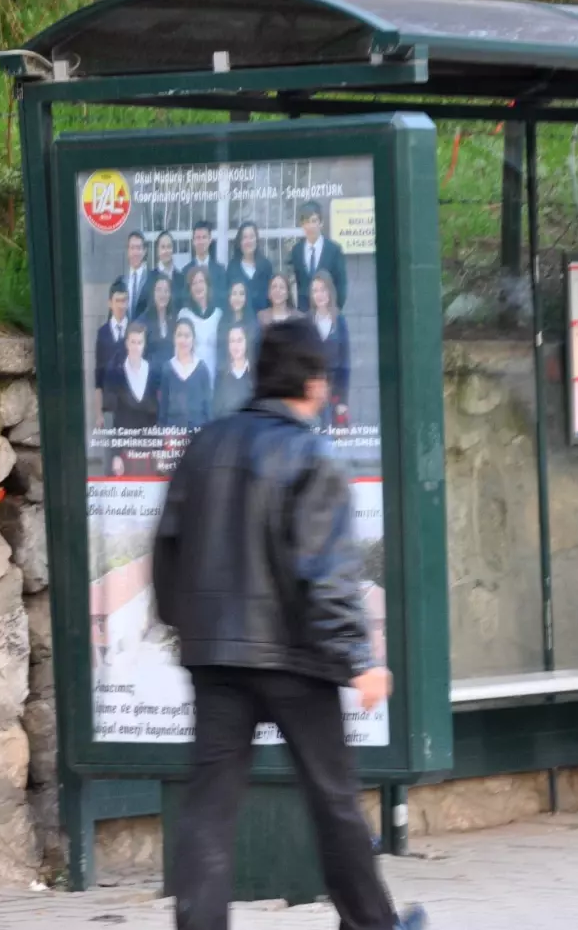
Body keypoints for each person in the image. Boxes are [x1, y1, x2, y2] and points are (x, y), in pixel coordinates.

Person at [152, 318, 426, 930]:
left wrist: (188, 627)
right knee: (332, 802)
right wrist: (360, 659)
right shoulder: (311, 455)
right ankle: (372, 925)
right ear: (312, 380)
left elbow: (167, 550)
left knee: (210, 808)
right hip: (295, 659)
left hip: (217, 657)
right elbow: (325, 575)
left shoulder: (206, 444)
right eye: (324, 375)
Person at [309, 269, 350, 426]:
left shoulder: (340, 321)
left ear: (330, 292)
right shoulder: (307, 321)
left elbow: (345, 364)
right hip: (312, 392)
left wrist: (343, 401)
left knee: (333, 443)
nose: (319, 295)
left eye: (323, 289)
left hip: (334, 393)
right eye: (315, 291)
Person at [289, 200, 346, 312]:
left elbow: (341, 285)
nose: (310, 226)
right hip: (304, 315)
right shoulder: (296, 251)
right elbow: (296, 283)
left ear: (321, 223)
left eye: (314, 221)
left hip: (328, 314)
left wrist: (334, 311)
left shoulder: (334, 250)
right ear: (302, 225)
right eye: (306, 222)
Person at [104, 321, 159, 430]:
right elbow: (110, 406)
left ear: (144, 345)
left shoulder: (153, 371)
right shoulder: (117, 372)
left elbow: (156, 408)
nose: (136, 347)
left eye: (139, 342)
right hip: (124, 439)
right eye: (133, 342)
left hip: (147, 440)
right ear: (126, 343)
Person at [158, 319, 212, 429]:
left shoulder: (201, 368)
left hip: (198, 432)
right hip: (173, 434)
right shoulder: (167, 369)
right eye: (179, 335)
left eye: (187, 336)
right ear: (174, 339)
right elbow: (163, 408)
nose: (183, 340)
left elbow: (208, 408)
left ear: (193, 339)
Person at [94, 279, 130, 430]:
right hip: (109, 407)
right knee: (111, 452)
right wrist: (98, 414)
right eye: (117, 301)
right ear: (110, 303)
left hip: (131, 408)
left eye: (124, 301)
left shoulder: (135, 330)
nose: (121, 305)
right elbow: (98, 376)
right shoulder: (102, 333)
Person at [179, 266, 224, 380]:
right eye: (194, 283)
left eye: (201, 282)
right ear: (190, 289)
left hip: (213, 377)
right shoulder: (184, 315)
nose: (198, 286)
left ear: (208, 285)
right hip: (190, 377)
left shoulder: (218, 315)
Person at [227, 221, 274, 314]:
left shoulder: (266, 265)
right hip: (241, 322)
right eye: (244, 237)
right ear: (239, 242)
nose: (248, 241)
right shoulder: (232, 267)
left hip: (263, 321)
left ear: (256, 240)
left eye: (251, 237)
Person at [212, 324, 254, 418]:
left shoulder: (254, 374)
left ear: (246, 342)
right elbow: (216, 411)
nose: (236, 346)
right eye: (232, 341)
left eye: (239, 340)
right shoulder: (221, 374)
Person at [218, 281, 260, 373]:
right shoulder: (222, 322)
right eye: (234, 294)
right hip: (227, 375)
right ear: (229, 297)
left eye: (241, 294)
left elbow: (256, 353)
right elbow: (220, 353)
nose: (237, 298)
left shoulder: (253, 323)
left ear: (246, 298)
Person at [183, 219, 226, 308]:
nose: (201, 241)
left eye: (204, 237)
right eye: (198, 238)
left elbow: (222, 299)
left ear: (210, 240)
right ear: (193, 241)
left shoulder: (220, 270)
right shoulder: (186, 271)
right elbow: (184, 300)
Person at [141, 273, 177, 371]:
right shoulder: (143, 321)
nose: (163, 294)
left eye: (166, 291)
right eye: (159, 290)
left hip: (171, 378)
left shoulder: (175, 320)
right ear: (153, 293)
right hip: (151, 378)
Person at [123, 232, 155, 320]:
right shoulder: (121, 281)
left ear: (144, 251)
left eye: (138, 248)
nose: (135, 252)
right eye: (132, 248)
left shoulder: (152, 279)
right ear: (128, 251)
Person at [152, 230, 187, 311]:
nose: (166, 251)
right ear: (157, 250)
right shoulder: (150, 278)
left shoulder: (181, 279)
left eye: (169, 247)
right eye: (163, 247)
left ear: (173, 250)